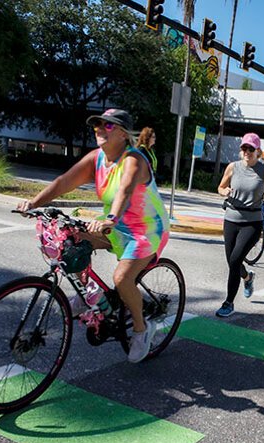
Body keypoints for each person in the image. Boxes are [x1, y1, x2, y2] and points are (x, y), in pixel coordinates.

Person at [17, 109, 169, 363]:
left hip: (146, 230)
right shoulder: (96, 159)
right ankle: (90, 294)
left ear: (122, 133)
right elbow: (64, 182)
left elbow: (125, 190)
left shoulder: (134, 160)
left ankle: (142, 330)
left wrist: (110, 219)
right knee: (71, 239)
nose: (99, 129)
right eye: (97, 124)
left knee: (122, 278)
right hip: (115, 226)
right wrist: (33, 203)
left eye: (107, 126)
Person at [216, 133, 264, 318]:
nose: (247, 152)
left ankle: (228, 303)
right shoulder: (232, 167)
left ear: (258, 151)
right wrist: (224, 191)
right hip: (231, 219)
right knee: (232, 262)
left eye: (251, 149)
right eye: (244, 148)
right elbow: (220, 187)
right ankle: (248, 277)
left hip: (252, 223)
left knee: (235, 260)